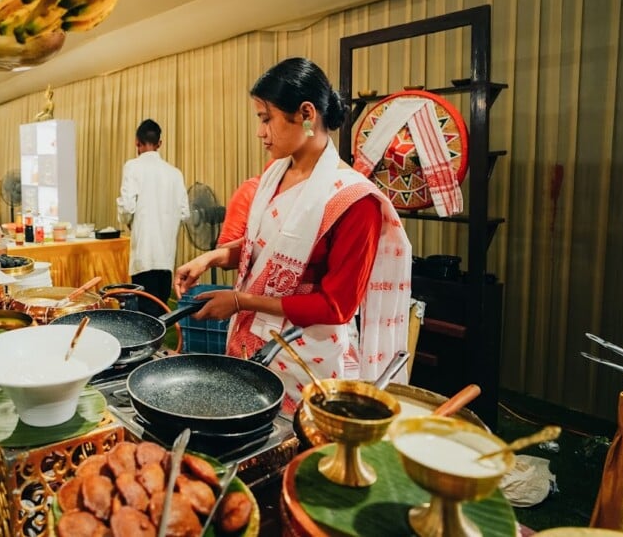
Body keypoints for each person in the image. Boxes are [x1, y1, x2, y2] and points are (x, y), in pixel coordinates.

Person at [174, 58, 412, 410]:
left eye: (266, 118)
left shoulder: (352, 200)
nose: (260, 131)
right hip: (250, 341)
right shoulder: (276, 174)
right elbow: (265, 247)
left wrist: (241, 301)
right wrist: (215, 256)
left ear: (306, 113)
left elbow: (336, 306)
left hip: (305, 360)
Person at [117, 119, 189, 316]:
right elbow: (185, 212)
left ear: (136, 143)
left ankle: (150, 348)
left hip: (144, 255)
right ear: (160, 143)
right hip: (166, 256)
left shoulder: (133, 166)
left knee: (145, 314)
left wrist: (129, 220)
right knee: (161, 312)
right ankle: (160, 347)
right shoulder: (175, 173)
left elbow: (127, 206)